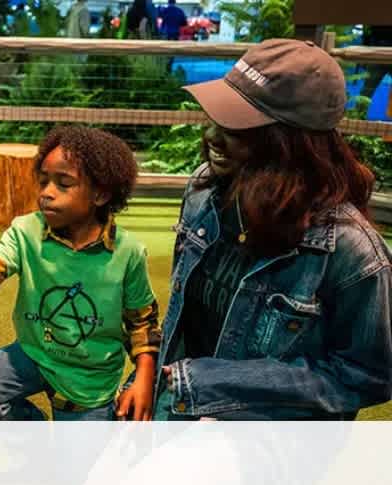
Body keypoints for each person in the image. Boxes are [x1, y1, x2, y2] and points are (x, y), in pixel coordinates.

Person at [156, 39, 392, 420]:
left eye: (238, 127)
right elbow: (181, 317)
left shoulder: (352, 252)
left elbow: (365, 375)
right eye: (219, 117)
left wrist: (225, 381)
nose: (213, 137)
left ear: (291, 144)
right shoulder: (206, 190)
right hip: (183, 397)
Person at [0, 126, 162, 422]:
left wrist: (145, 379)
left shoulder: (128, 252)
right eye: (43, 181)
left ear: (101, 194)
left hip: (88, 379)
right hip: (34, 353)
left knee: (74, 466)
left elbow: (142, 323)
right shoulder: (26, 230)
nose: (46, 193)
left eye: (63, 183)